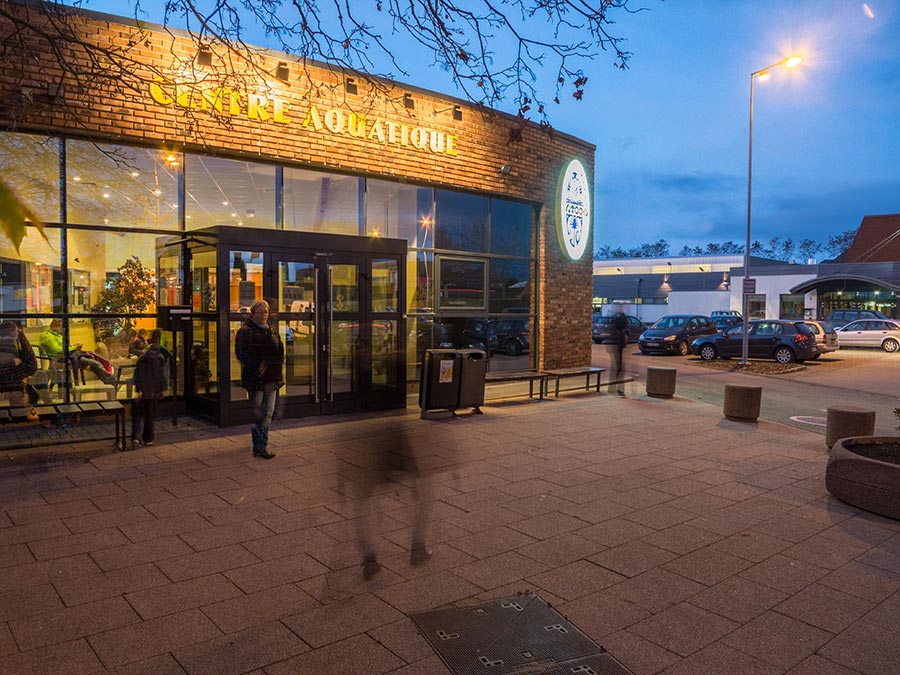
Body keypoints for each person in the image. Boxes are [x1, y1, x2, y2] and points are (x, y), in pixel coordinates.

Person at [235, 300, 284, 459]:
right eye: (260, 311)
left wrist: (276, 363)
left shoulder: (272, 330)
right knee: (259, 414)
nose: (264, 314)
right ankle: (259, 442)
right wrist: (260, 364)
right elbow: (242, 354)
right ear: (253, 314)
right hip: (256, 378)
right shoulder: (245, 331)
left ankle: (261, 445)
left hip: (272, 378)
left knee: (268, 413)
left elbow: (280, 350)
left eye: (266, 311)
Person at [40, 319, 115, 385]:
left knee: (94, 363)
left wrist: (74, 346)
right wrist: (74, 347)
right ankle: (112, 381)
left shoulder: (57, 335)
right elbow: (57, 350)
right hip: (63, 359)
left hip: (69, 356)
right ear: (56, 326)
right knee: (96, 364)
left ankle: (110, 380)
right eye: (61, 326)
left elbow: (64, 347)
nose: (62, 329)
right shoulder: (48, 336)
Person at [131, 329, 168, 447]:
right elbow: (161, 376)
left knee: (137, 414)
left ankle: (136, 437)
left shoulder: (142, 358)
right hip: (153, 391)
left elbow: (138, 374)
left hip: (142, 390)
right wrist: (161, 390)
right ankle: (148, 439)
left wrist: (138, 389)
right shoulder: (160, 358)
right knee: (150, 415)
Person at [0, 321, 38, 407]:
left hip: (13, 388)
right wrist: (22, 338)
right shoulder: (18, 344)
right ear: (14, 333)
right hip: (15, 389)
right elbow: (32, 366)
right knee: (19, 414)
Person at [609, 309, 628, 396]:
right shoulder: (619, 329)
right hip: (618, 347)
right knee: (619, 369)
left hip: (617, 347)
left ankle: (614, 387)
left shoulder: (615, 327)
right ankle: (618, 388)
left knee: (617, 368)